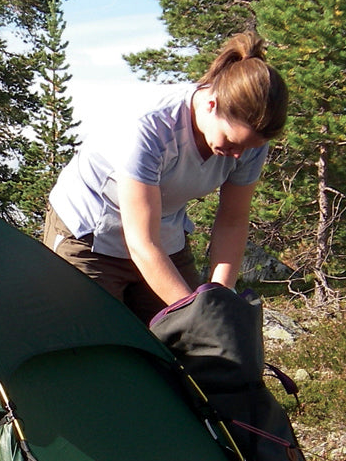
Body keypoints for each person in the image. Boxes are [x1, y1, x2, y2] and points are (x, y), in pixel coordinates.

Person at [42, 31, 288, 323]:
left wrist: (220, 297)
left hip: (163, 233)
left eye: (249, 147)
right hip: (89, 234)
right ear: (212, 103)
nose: (239, 155)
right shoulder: (151, 127)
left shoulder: (249, 142)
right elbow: (141, 243)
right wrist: (197, 316)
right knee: (96, 345)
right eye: (233, 142)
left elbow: (233, 219)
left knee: (181, 349)